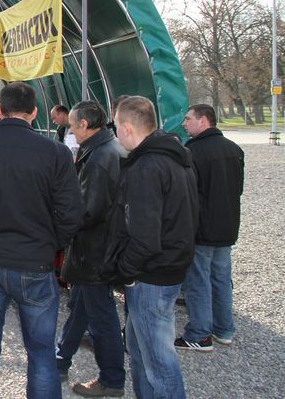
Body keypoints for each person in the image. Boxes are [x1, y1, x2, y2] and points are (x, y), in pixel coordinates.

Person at [0, 81, 84, 399]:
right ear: (34, 112)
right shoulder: (55, 152)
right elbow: (71, 215)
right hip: (35, 264)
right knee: (41, 356)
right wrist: (51, 246)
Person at [102, 96, 198, 399]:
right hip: (168, 269)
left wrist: (125, 271)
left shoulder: (147, 167)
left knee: (158, 361)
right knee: (141, 352)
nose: (115, 133)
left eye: (116, 126)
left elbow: (144, 237)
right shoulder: (176, 157)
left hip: (151, 277)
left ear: (128, 128)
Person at [56, 101, 125, 397]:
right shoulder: (106, 148)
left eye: (73, 125)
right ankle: (60, 359)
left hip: (95, 250)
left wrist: (59, 226)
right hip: (96, 248)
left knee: (103, 317)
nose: (70, 130)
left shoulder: (99, 157)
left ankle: (112, 380)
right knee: (80, 307)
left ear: (84, 124)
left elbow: (90, 210)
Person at [175, 104, 244, 351]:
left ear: (203, 121)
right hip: (227, 227)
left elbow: (187, 194)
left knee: (198, 281)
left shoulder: (193, 152)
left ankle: (199, 333)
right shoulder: (234, 150)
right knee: (222, 279)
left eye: (188, 119)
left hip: (202, 229)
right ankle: (224, 329)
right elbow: (238, 189)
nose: (184, 123)